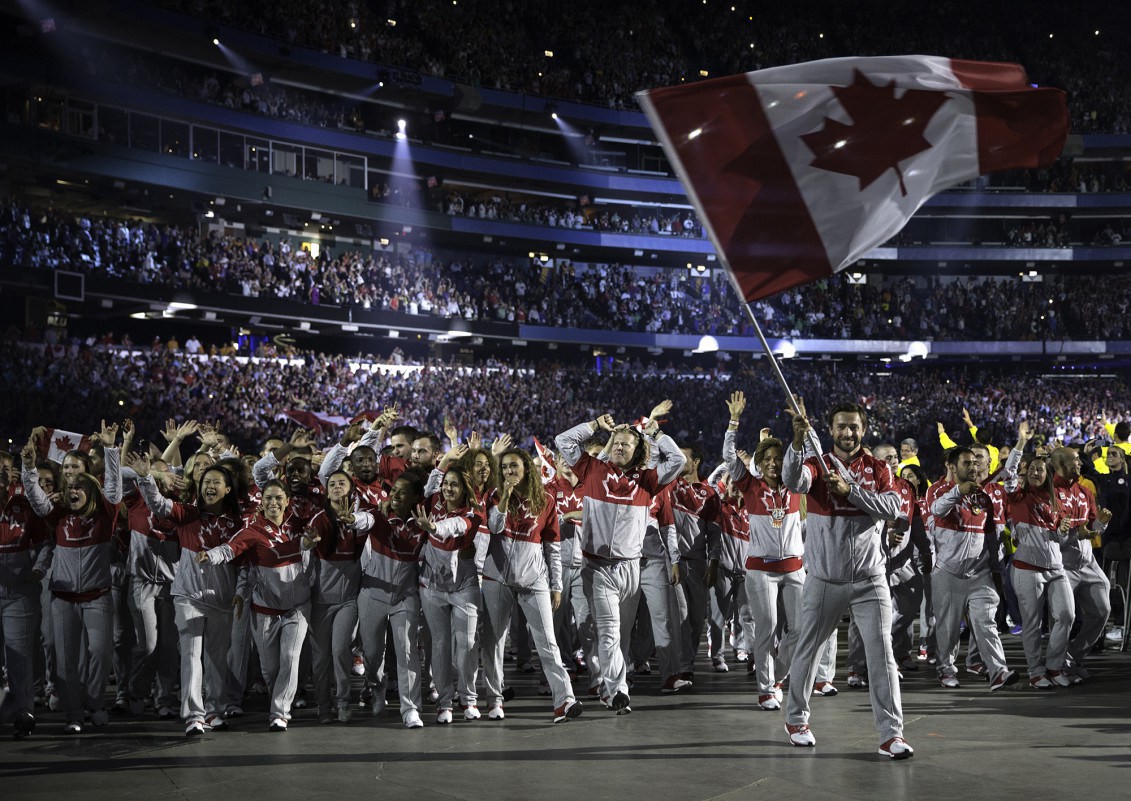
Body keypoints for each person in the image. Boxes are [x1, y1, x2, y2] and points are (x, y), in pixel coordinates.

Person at [781, 398, 912, 759]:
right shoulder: (815, 464)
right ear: (831, 429)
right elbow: (793, 481)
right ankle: (796, 720)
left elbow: (893, 508)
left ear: (863, 430)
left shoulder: (878, 468)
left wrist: (849, 490)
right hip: (824, 579)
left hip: (871, 579)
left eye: (854, 426)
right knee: (808, 648)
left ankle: (891, 735)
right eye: (841, 426)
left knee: (882, 654)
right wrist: (795, 443)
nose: (848, 432)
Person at [555, 402, 686, 714]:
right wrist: (596, 425)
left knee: (620, 634)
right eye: (616, 442)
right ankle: (618, 691)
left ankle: (606, 685)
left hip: (631, 567)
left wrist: (655, 432)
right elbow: (563, 441)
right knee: (610, 630)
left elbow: (678, 460)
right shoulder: (591, 469)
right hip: (597, 565)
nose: (619, 447)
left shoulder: (648, 480)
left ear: (637, 450)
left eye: (627, 444)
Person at [130, 452, 244, 735]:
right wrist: (146, 478)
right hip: (188, 596)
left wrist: (240, 592)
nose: (210, 485)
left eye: (216, 481)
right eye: (206, 480)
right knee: (191, 654)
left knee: (217, 658)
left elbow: (244, 564)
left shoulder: (238, 523)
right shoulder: (188, 513)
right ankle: (194, 715)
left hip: (222, 600)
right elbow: (158, 504)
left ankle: (215, 710)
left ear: (227, 489)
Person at [22, 423, 122, 735]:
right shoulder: (59, 511)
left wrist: (111, 450)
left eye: (81, 486)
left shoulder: (105, 516)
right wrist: (27, 468)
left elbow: (115, 490)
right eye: (71, 486)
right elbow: (38, 501)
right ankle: (74, 713)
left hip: (97, 597)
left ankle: (94, 702)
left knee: (101, 653)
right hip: (62, 598)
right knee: (64, 661)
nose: (74, 490)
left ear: (92, 490)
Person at [478, 448, 581, 723]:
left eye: (514, 466)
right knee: (494, 643)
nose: (509, 472)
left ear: (527, 468)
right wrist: (505, 499)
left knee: (548, 641)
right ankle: (495, 700)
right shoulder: (494, 496)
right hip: (496, 579)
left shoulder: (546, 499)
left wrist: (556, 585)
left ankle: (564, 700)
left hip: (534, 580)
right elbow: (495, 527)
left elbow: (553, 546)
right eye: (505, 468)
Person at [198, 479, 310, 732]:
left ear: (287, 501)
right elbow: (229, 550)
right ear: (261, 503)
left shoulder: (300, 526)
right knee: (271, 669)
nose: (273, 503)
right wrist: (210, 556)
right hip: (264, 610)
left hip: (297, 608)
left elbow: (312, 541)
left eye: (278, 498)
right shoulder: (253, 530)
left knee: (290, 658)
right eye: (268, 498)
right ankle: (278, 702)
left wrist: (310, 543)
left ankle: (279, 713)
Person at [723, 391, 804, 710]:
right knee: (767, 629)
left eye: (777, 458)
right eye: (765, 459)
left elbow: (808, 457)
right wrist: (734, 422)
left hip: (794, 568)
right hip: (760, 570)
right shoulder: (750, 486)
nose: (772, 463)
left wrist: (802, 428)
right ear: (758, 464)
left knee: (798, 631)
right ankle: (766, 689)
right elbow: (730, 458)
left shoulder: (797, 484)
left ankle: (778, 675)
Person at [929, 446, 1018, 692]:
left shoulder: (983, 497)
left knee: (986, 623)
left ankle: (998, 672)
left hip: (980, 574)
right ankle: (946, 670)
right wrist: (958, 491)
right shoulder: (937, 491)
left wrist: (996, 570)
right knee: (947, 629)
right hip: (948, 573)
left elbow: (990, 536)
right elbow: (936, 510)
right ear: (952, 466)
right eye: (966, 463)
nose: (973, 467)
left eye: (975, 463)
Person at [357, 472, 428, 729]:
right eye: (393, 491)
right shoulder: (378, 515)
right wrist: (349, 518)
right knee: (372, 655)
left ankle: (410, 709)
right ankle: (376, 687)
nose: (395, 496)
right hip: (372, 594)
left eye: (401, 492)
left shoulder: (424, 522)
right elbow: (361, 520)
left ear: (415, 498)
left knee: (408, 652)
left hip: (405, 597)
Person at [302, 470, 371, 724]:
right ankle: (323, 706)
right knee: (320, 658)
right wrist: (308, 544)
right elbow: (305, 544)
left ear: (352, 489)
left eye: (342, 483)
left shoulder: (359, 519)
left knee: (340, 650)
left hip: (348, 599)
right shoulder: (320, 518)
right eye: (332, 484)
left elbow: (369, 523)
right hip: (320, 600)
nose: (337, 487)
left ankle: (343, 702)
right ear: (326, 490)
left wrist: (351, 519)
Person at [417, 458, 482, 724]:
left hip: (463, 586)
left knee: (466, 645)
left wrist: (433, 528)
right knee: (440, 646)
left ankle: (468, 698)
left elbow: (454, 527)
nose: (448, 489)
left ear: (465, 489)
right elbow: (431, 483)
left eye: (455, 485)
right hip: (431, 587)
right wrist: (444, 461)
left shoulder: (471, 514)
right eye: (446, 484)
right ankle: (444, 702)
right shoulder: (432, 503)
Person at [1006, 452, 1076, 689]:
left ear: (1048, 474)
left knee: (1067, 615)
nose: (1036, 472)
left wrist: (1063, 531)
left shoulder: (1055, 501)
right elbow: (1007, 474)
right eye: (1033, 469)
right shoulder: (1017, 497)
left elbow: (1060, 540)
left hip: (1056, 568)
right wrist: (1021, 444)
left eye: (1041, 469)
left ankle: (1054, 667)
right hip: (1027, 568)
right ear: (1025, 473)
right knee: (1032, 624)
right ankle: (1036, 671)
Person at [1050, 446, 1112, 681]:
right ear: (1060, 465)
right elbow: (1054, 532)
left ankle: (1073, 657)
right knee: (1065, 616)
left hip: (1087, 562)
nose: (1079, 463)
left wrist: (1101, 524)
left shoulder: (1084, 491)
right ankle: (1055, 665)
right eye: (1075, 460)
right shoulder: (1050, 492)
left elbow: (1093, 528)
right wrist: (1077, 533)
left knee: (1102, 610)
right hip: (1062, 563)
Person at [0, 450, 49, 739]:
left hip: (20, 593)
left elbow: (45, 543)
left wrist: (40, 568)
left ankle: (23, 713)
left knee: (19, 656)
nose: (2, 472)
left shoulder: (25, 504)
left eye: (6, 468)